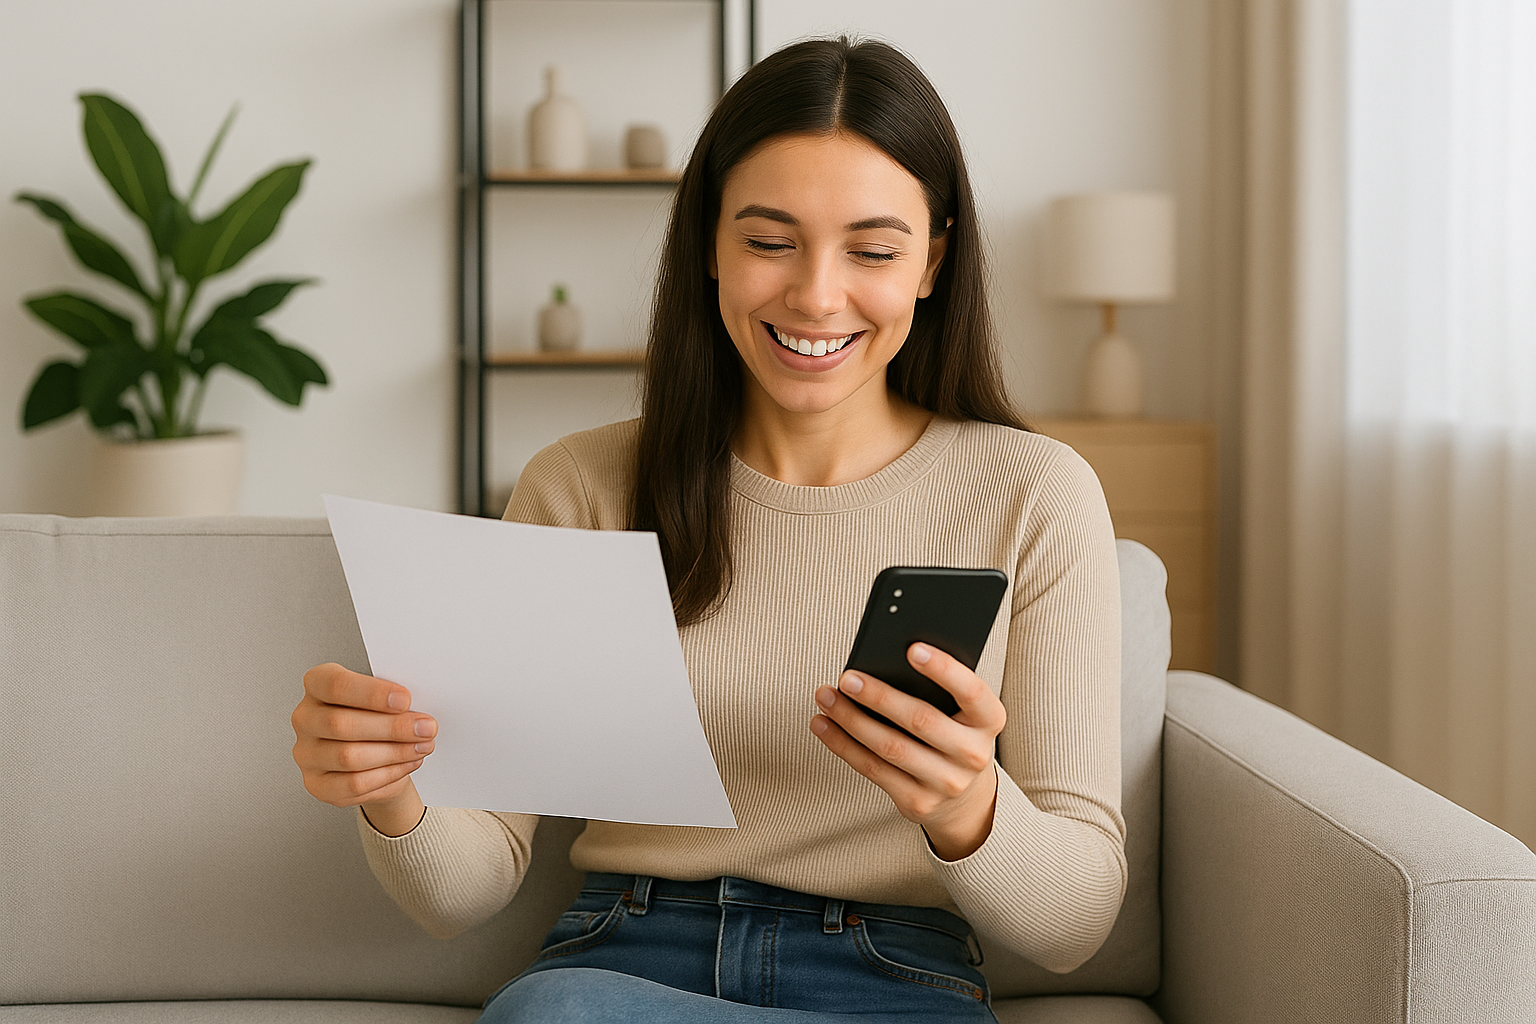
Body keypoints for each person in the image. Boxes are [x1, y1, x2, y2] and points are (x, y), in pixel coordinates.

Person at [291, 35, 1125, 1023]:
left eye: (872, 248)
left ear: (933, 259)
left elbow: (1076, 924)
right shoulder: (580, 487)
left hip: (895, 976)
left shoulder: (1035, 494)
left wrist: (968, 809)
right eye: (769, 240)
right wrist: (390, 792)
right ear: (710, 247)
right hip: (624, 961)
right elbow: (463, 888)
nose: (817, 294)